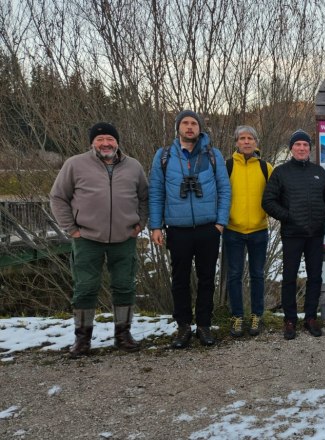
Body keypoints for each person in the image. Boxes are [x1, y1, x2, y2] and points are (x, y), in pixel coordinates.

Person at [50, 122, 149, 358]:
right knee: (85, 288)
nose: (106, 143)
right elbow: (57, 197)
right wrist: (71, 229)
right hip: (87, 238)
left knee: (125, 286)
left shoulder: (133, 166)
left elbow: (145, 197)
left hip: (124, 237)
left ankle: (123, 335)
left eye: (110, 139)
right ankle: (82, 339)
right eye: (100, 139)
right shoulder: (74, 164)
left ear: (117, 142)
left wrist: (140, 224)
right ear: (92, 143)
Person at [148, 110, 231, 349]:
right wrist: (156, 225)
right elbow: (156, 191)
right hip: (178, 229)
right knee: (180, 280)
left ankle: (204, 325)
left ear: (200, 128)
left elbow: (225, 190)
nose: (189, 127)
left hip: (208, 228)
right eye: (185, 123)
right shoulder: (164, 156)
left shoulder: (213, 155)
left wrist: (220, 223)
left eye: (194, 123)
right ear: (178, 128)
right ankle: (183, 326)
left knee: (207, 278)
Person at [262, 129, 325, 340]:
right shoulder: (281, 172)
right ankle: (289, 320)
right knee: (289, 278)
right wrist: (287, 216)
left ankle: (311, 318)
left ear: (310, 149)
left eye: (305, 145)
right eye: (298, 145)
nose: (302, 148)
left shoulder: (319, 172)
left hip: (315, 234)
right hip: (292, 234)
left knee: (315, 277)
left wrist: (323, 214)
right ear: (291, 148)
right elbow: (268, 201)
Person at [224, 125, 273, 337]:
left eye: (250, 138)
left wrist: (268, 214)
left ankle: (256, 315)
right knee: (234, 275)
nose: (246, 142)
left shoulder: (266, 167)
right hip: (232, 229)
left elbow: (275, 196)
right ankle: (237, 316)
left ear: (256, 142)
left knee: (257, 275)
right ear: (236, 142)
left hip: (259, 230)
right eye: (242, 138)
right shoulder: (226, 166)